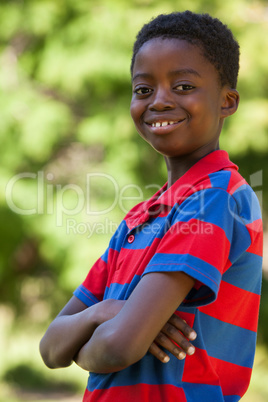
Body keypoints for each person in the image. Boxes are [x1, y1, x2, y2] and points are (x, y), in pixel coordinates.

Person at [40, 11, 263, 402]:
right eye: (143, 90)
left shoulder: (216, 197)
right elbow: (50, 347)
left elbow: (117, 349)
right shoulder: (139, 219)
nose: (159, 101)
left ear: (227, 102)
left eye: (182, 86)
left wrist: (107, 334)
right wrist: (104, 312)